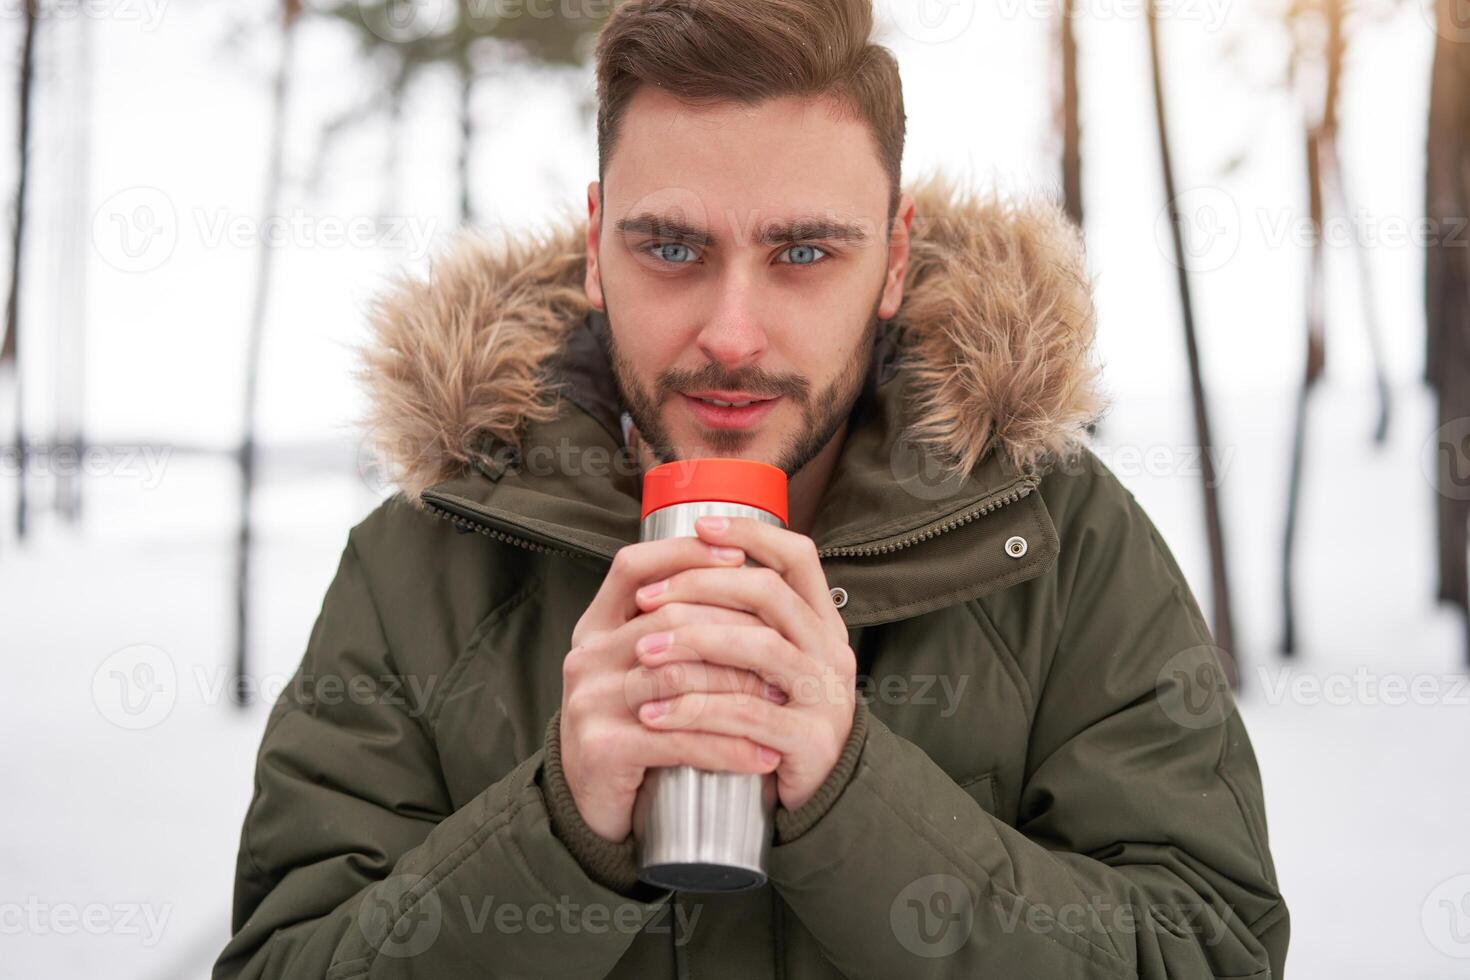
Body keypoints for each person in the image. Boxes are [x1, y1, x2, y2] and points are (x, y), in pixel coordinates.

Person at [215, 1, 1290, 977]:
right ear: (597, 245)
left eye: (806, 251)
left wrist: (855, 793)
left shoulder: (1057, 543)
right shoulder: (425, 563)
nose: (731, 335)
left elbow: (1212, 951)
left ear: (896, 258)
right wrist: (557, 829)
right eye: (673, 247)